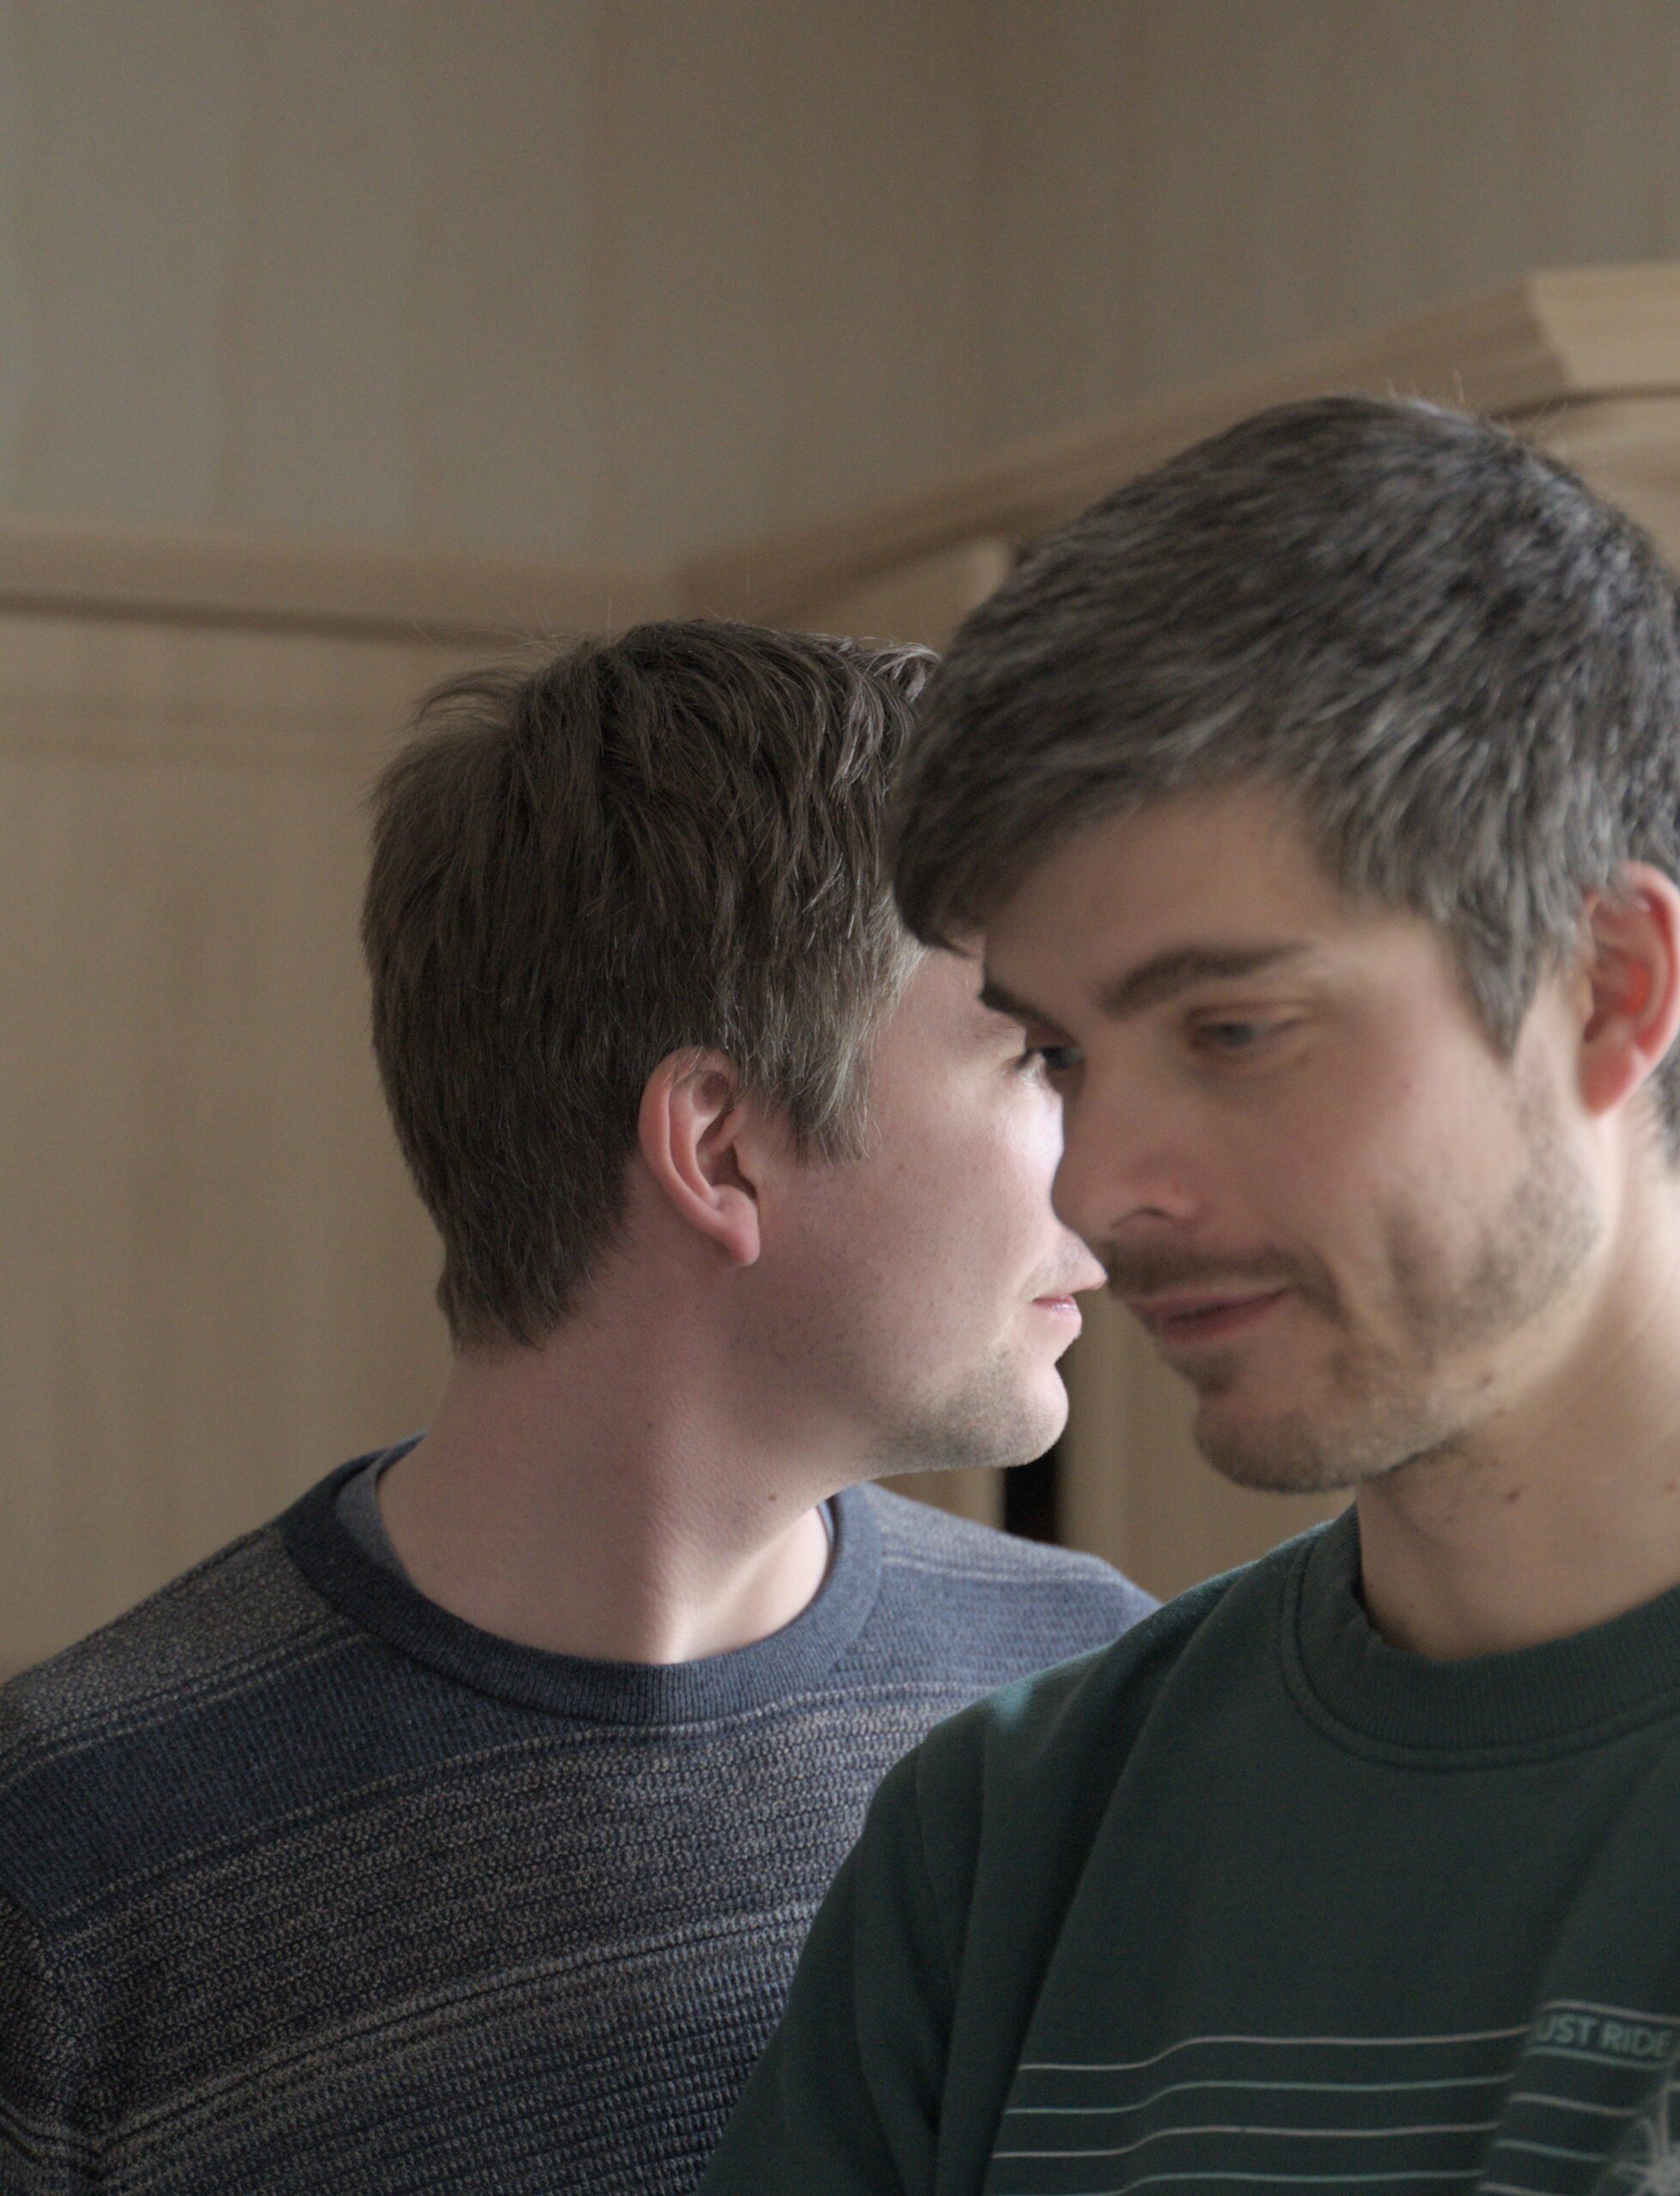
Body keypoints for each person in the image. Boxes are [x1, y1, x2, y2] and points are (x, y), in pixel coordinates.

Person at [704, 399, 1680, 2196]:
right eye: (1060, 1056)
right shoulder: (1004, 1848)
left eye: (1232, 1030)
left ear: (1608, 986)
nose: (1099, 1189)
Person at [0, 620, 1150, 2196]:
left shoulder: (1110, 1708)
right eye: (1040, 1058)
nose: (1124, 1162)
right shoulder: (67, 1862)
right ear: (721, 1147)